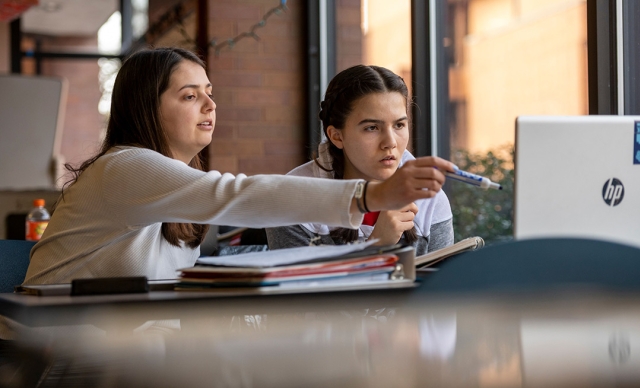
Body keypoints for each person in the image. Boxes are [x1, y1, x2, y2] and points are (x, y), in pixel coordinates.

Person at [23, 48, 455, 284]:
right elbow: (235, 194)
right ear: (146, 108)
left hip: (110, 347)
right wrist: (370, 196)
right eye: (190, 96)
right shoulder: (124, 168)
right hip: (52, 355)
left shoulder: (175, 190)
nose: (212, 105)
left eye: (210, 92)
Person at [266, 65, 454, 255]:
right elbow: (299, 284)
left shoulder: (429, 198)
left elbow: (445, 283)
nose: (390, 143)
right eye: (372, 127)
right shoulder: (292, 199)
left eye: (399, 125)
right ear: (336, 136)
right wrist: (375, 247)